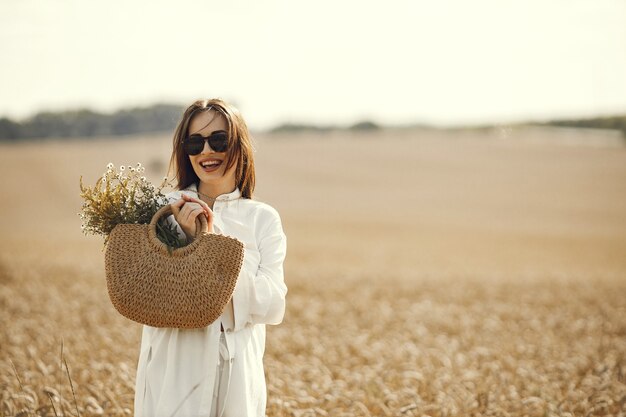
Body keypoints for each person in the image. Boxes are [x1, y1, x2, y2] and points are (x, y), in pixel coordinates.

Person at [133, 98, 288, 417]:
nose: (206, 151)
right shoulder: (163, 210)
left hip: (237, 376)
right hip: (173, 370)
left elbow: (272, 306)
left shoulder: (263, 219)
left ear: (239, 145)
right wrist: (181, 238)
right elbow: (154, 295)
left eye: (219, 140)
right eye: (195, 142)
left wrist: (209, 242)